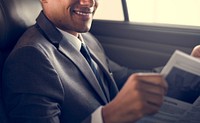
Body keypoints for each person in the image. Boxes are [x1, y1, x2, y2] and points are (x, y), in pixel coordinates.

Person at [2, 0, 199, 122]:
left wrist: (186, 67)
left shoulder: (85, 37)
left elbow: (122, 76)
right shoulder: (30, 58)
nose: (89, 2)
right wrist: (108, 117)